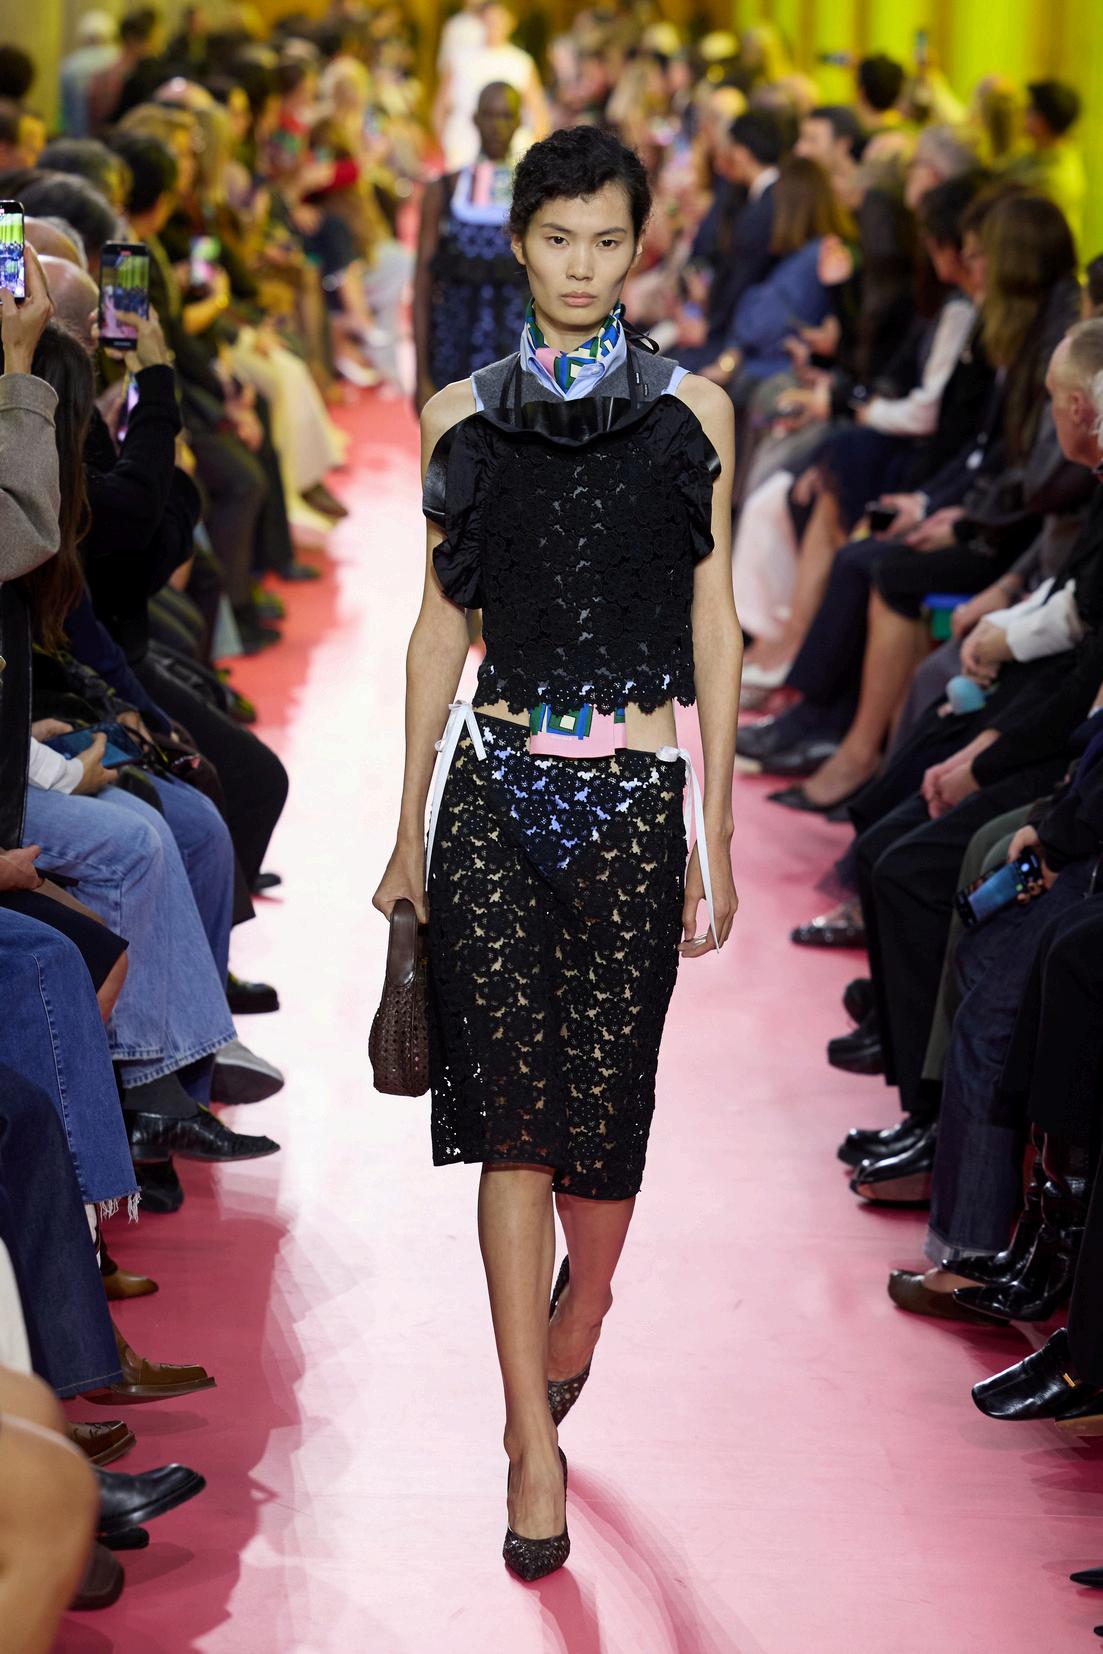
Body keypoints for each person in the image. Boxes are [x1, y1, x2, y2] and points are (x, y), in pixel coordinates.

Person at [373, 125, 739, 1579]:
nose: (580, 267)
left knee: (607, 1126)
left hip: (636, 797)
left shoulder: (694, 413)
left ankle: (583, 1306)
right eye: (556, 239)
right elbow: (434, 630)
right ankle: (530, 1440)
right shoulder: (459, 416)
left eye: (606, 241)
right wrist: (402, 827)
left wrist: (716, 826)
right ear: (516, 242)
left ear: (637, 248)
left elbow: (715, 622)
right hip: (496, 791)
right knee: (511, 1124)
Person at [413, 80, 529, 413]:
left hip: (519, 359)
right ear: (475, 120)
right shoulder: (444, 191)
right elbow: (422, 283)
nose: (497, 126)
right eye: (489, 116)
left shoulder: (534, 196)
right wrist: (420, 374)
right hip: (453, 352)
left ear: (519, 121)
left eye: (506, 116)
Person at [434, 2, 549, 170]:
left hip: (511, 149)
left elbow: (539, 113)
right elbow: (440, 108)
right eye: (490, 19)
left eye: (500, 19)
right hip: (464, 145)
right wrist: (445, 144)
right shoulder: (460, 59)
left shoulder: (522, 62)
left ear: (512, 22)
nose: (495, 25)